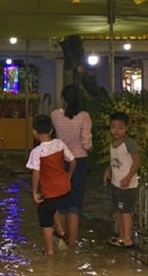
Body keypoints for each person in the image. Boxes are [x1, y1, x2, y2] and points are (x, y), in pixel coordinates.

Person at [26, 115, 76, 255]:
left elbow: (36, 173)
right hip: (64, 187)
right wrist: (69, 176)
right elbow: (72, 161)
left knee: (45, 220)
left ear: (34, 132)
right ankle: (60, 232)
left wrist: (34, 191)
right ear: (51, 130)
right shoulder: (59, 144)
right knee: (52, 206)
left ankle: (49, 251)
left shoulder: (37, 152)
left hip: (50, 190)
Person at [51, 84, 92, 248]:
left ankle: (60, 240)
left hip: (61, 161)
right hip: (80, 160)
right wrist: (90, 150)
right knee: (74, 204)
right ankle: (72, 244)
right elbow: (86, 142)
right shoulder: (84, 116)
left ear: (64, 99)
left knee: (60, 203)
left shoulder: (55, 115)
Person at [102, 111, 141, 248]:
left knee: (126, 211)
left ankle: (127, 238)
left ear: (126, 129)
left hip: (127, 185)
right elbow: (114, 160)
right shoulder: (113, 143)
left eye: (120, 127)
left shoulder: (129, 144)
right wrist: (108, 170)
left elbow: (136, 162)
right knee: (118, 210)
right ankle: (121, 234)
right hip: (116, 183)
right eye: (113, 127)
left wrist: (128, 177)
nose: (116, 130)